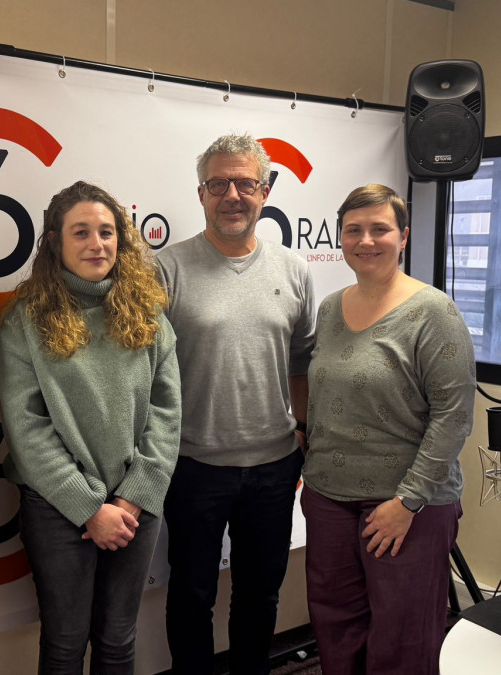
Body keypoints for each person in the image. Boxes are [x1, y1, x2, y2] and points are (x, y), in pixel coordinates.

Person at [0, 180, 181, 674]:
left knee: (119, 639)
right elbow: (26, 426)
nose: (96, 244)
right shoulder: (25, 321)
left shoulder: (149, 313)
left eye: (106, 231)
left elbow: (167, 412)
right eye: (81, 232)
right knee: (64, 642)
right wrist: (87, 507)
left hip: (136, 503)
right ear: (55, 241)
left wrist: (131, 497)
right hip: (59, 507)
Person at [155, 134, 316, 674]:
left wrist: (300, 432)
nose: (232, 195)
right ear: (201, 193)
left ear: (264, 192)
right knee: (191, 597)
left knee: (259, 597)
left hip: (274, 468)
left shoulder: (294, 270)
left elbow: (301, 360)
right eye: (218, 184)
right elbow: (145, 373)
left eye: (245, 183)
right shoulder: (167, 269)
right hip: (193, 466)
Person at [301, 184, 476, 675]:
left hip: (406, 504)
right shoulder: (331, 308)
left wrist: (408, 502)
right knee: (336, 628)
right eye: (353, 230)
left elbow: (454, 415)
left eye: (380, 229)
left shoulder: (433, 312)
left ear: (403, 237)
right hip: (329, 497)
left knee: (403, 637)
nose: (366, 240)